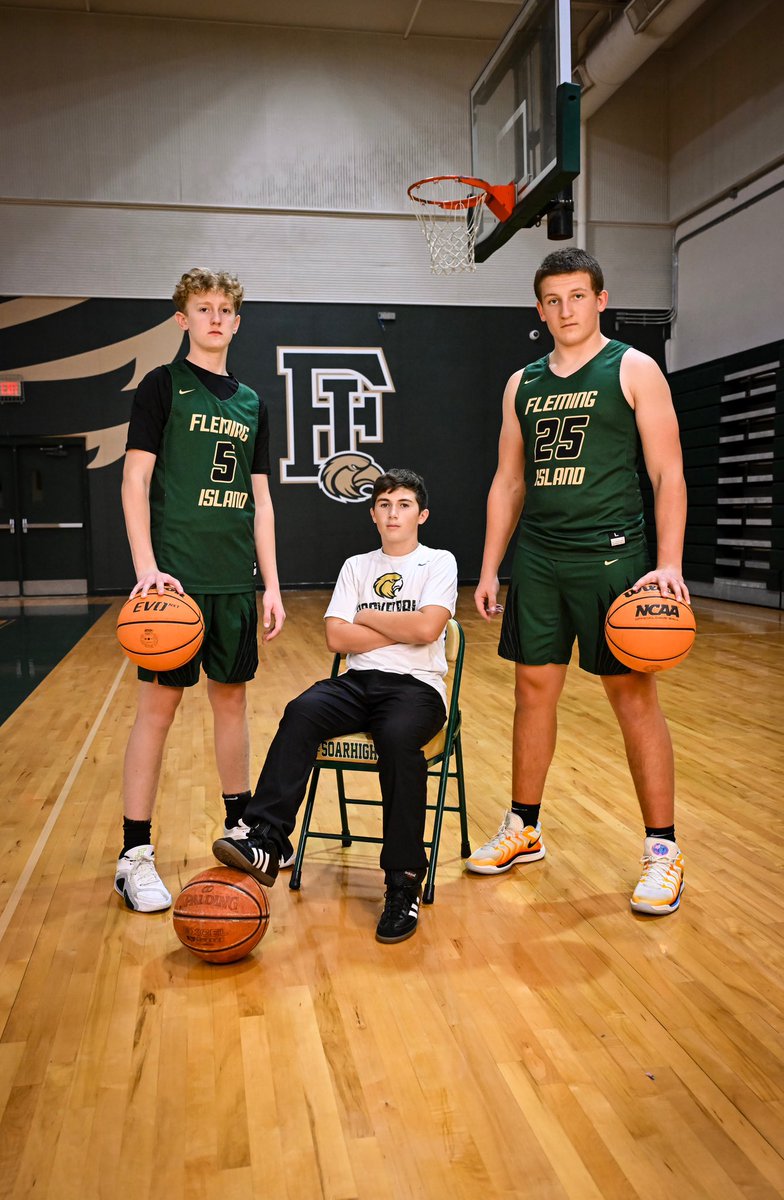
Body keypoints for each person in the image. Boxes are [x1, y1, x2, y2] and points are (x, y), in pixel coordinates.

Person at [468, 248, 688, 916]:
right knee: (532, 690)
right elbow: (509, 480)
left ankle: (662, 851)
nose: (566, 309)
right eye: (553, 299)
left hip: (613, 557)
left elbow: (668, 473)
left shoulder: (633, 368)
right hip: (539, 556)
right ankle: (524, 827)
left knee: (632, 698)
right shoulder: (522, 383)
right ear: (540, 309)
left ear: (601, 298)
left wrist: (669, 563)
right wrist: (489, 566)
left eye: (577, 296)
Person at [212, 468, 458, 944]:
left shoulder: (439, 562)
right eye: (385, 504)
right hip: (358, 680)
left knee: (397, 738)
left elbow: (430, 631)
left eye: (404, 504)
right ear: (372, 514)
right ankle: (267, 838)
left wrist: (367, 615)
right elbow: (335, 637)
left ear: (421, 515)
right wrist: (397, 622)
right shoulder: (356, 566)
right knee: (301, 709)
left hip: (417, 687)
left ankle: (403, 881)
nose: (394, 513)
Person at [116, 267, 285, 913]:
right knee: (156, 713)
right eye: (203, 308)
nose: (215, 318)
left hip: (234, 579)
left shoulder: (252, 403)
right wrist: (145, 570)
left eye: (225, 309)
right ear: (183, 319)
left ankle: (240, 826)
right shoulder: (162, 387)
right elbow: (135, 483)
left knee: (232, 703)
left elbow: (261, 501)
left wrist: (271, 582)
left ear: (237, 321)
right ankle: (134, 855)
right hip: (176, 583)